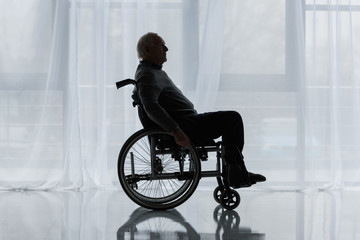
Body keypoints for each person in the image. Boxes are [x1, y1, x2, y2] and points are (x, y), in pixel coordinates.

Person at [134, 32, 265, 188]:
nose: (166, 49)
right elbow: (152, 108)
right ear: (147, 50)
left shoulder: (153, 71)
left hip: (188, 121)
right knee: (232, 119)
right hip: (186, 125)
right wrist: (176, 131)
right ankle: (236, 173)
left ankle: (235, 171)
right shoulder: (147, 75)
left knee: (230, 121)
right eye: (161, 45)